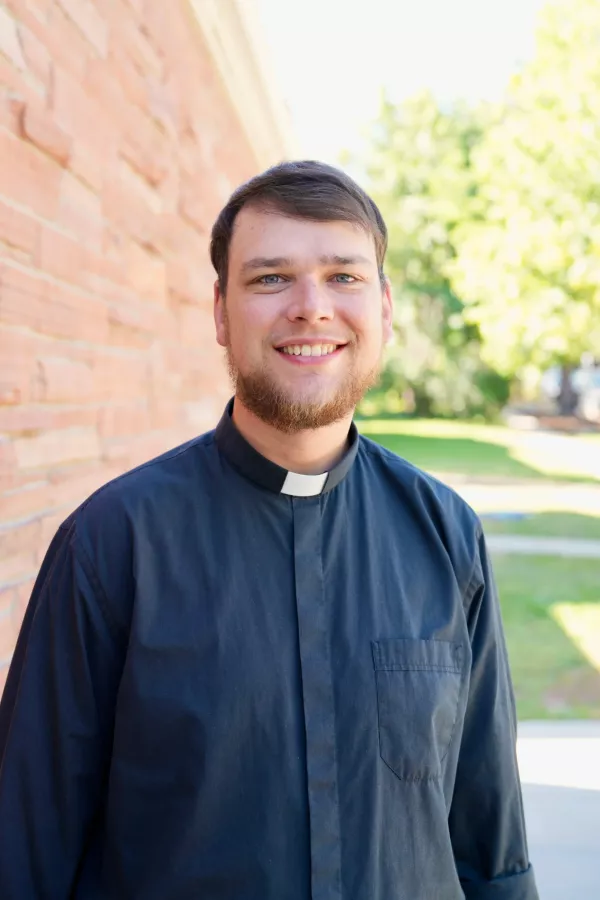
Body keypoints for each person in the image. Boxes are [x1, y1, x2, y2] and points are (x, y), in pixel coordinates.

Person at [0, 161, 538, 899]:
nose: (311, 308)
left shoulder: (446, 536)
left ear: (383, 307)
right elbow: (24, 853)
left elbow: (492, 849)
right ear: (221, 312)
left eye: (343, 277)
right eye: (270, 279)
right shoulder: (110, 545)